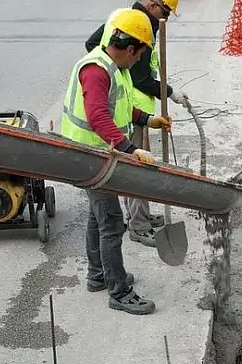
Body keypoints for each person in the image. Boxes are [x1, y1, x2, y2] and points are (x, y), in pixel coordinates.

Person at [61, 8, 172, 315]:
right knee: (111, 223)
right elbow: (97, 116)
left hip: (96, 154)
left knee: (97, 217)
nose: (138, 62)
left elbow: (120, 109)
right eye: (138, 56)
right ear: (130, 48)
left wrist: (150, 120)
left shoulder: (114, 67)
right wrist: (128, 147)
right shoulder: (97, 71)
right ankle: (118, 291)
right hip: (91, 156)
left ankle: (99, 275)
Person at [84, 0, 187, 248]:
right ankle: (139, 226)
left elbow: (92, 44)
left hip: (131, 113)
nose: (165, 20)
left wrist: (146, 117)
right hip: (116, 128)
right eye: (164, 13)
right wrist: (168, 92)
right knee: (137, 172)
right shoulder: (135, 29)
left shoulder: (127, 22)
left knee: (107, 205)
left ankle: (140, 217)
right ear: (153, 5)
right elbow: (140, 79)